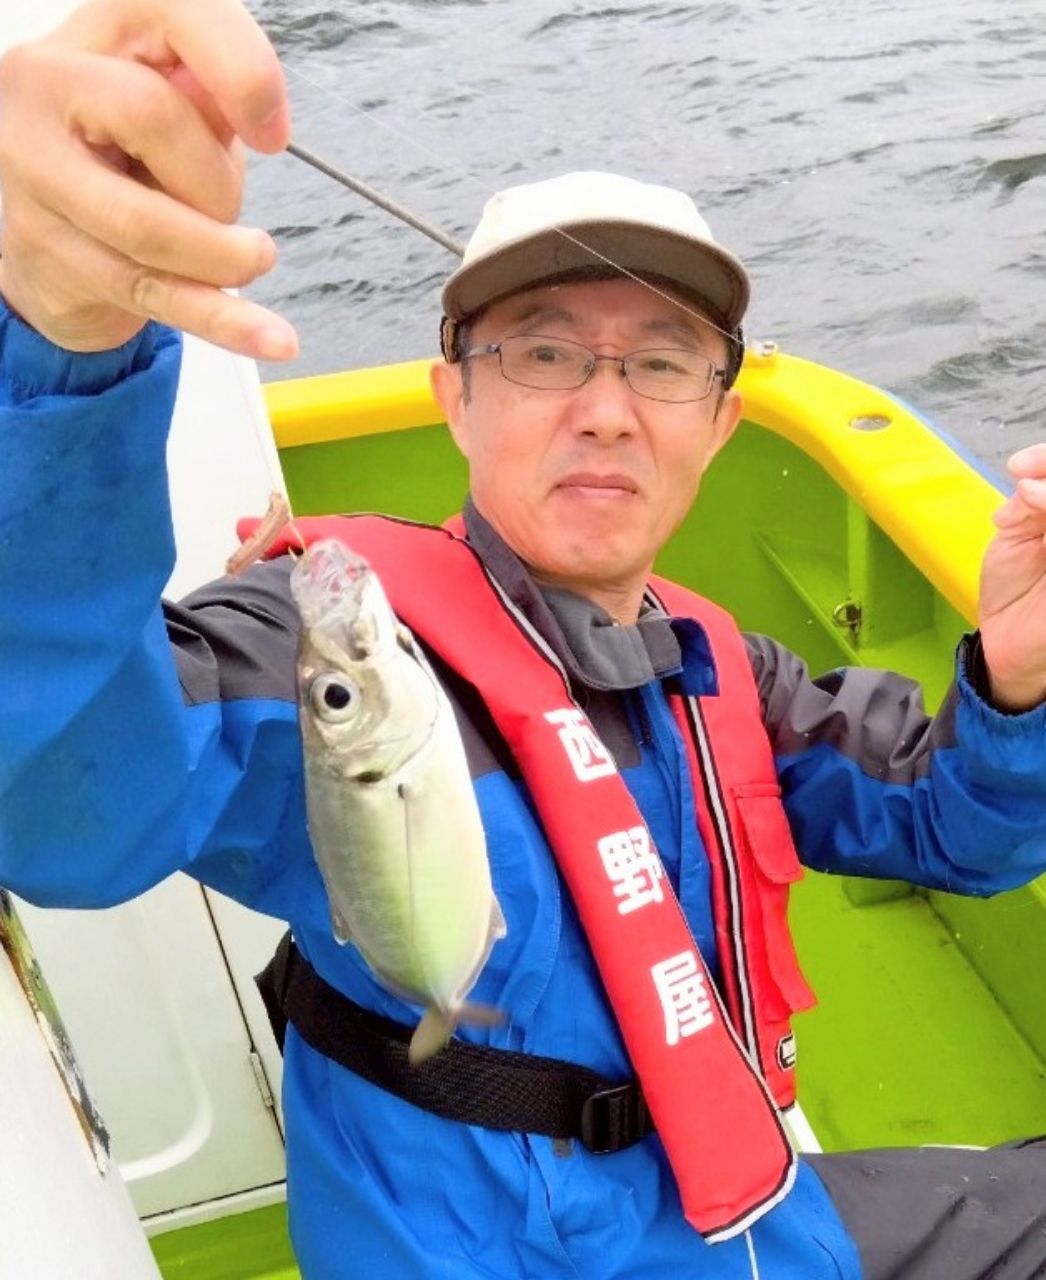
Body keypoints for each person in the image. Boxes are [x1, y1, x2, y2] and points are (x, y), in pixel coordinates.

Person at [2, 2, 1045, 1277]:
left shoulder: (723, 672)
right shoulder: (326, 652)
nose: (605, 410)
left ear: (717, 424)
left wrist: (1016, 678)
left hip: (734, 1207)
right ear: (455, 396)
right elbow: (63, 807)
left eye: (661, 363)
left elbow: (957, 829)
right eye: (545, 352)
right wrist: (55, 340)